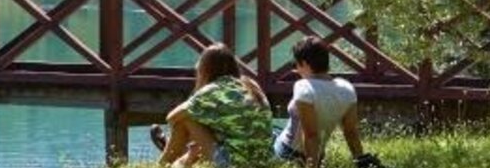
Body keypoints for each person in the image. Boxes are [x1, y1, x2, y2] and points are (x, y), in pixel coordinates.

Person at [154, 44, 270, 168]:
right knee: (208, 120)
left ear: (206, 69)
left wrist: (185, 135)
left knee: (185, 119)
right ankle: (181, 159)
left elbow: (171, 118)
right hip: (264, 160)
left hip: (233, 164)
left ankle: (164, 162)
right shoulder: (251, 84)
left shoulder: (213, 89)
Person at [274, 37, 381, 168]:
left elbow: (311, 135)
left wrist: (311, 166)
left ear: (305, 64)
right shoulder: (346, 88)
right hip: (319, 154)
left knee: (264, 134)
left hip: (289, 153)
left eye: (296, 64)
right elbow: (351, 132)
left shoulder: (303, 87)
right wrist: (360, 159)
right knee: (275, 131)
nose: (295, 69)